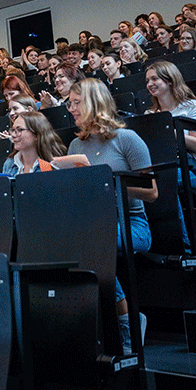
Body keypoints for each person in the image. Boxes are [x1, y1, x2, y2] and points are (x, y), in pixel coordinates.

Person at [67, 79, 157, 354]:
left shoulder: (127, 139)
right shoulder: (74, 146)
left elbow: (152, 193)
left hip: (132, 225)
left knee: (92, 242)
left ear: (94, 102)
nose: (71, 109)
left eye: (76, 102)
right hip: (95, 224)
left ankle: (127, 323)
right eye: (69, 103)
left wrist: (109, 183)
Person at [145, 61, 196, 166]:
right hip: (162, 167)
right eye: (147, 81)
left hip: (190, 166)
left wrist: (166, 130)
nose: (149, 84)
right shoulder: (149, 114)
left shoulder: (191, 106)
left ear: (170, 81)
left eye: (154, 79)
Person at [2, 112, 67, 176]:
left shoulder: (54, 164)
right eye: (13, 130)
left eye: (20, 130)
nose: (13, 135)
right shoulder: (9, 163)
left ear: (37, 134)